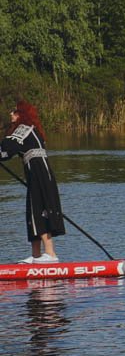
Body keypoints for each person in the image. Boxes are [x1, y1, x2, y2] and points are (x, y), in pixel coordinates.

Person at [2, 101, 65, 263]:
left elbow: (7, 149)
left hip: (40, 175)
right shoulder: (29, 130)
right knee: (32, 210)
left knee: (40, 209)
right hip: (37, 175)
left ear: (22, 114)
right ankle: (36, 255)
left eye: (14, 111)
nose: (11, 114)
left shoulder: (24, 129)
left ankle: (50, 254)